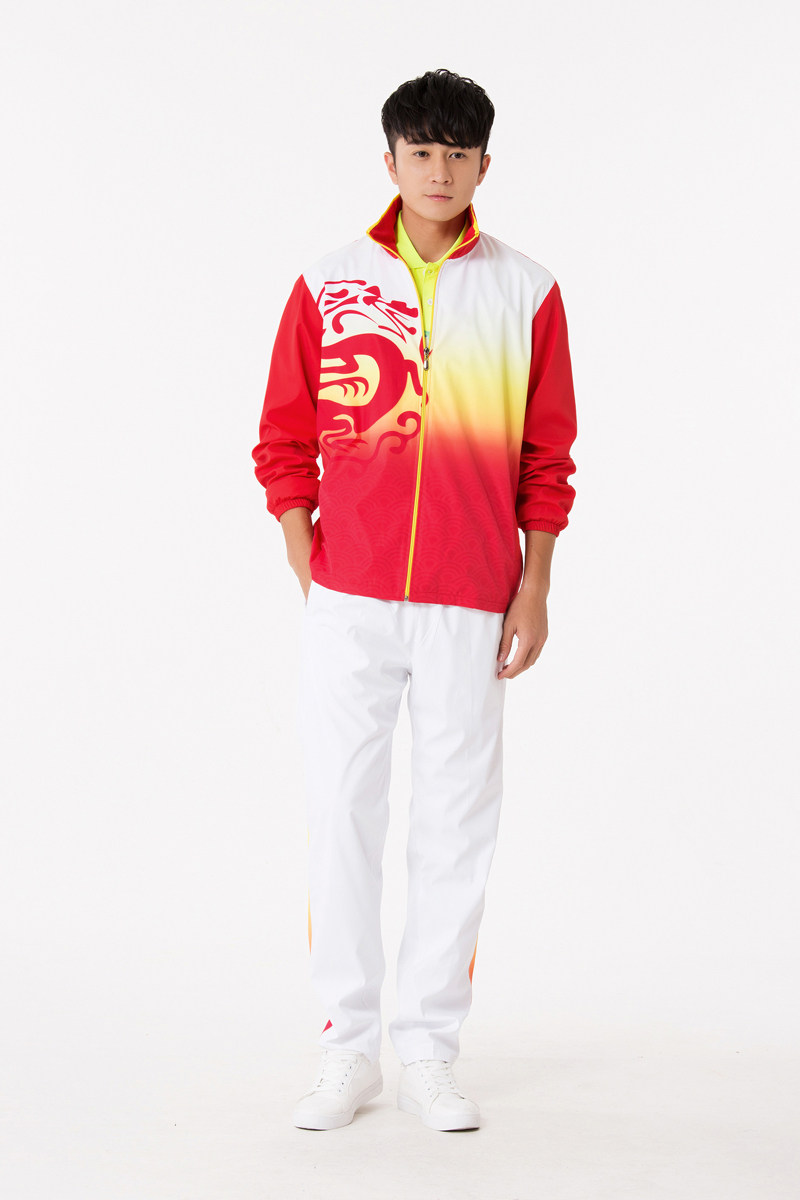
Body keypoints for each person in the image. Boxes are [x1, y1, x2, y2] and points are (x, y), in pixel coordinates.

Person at [251, 67, 578, 1132]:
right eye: (421, 152)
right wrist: (308, 562)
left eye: (458, 153)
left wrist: (533, 585)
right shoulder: (328, 282)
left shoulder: (527, 292)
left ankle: (429, 1049)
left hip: (470, 598)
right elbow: (283, 438)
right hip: (349, 599)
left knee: (454, 823)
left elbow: (547, 457)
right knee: (342, 816)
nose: (438, 171)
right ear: (389, 161)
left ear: (484, 165)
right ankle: (347, 1050)